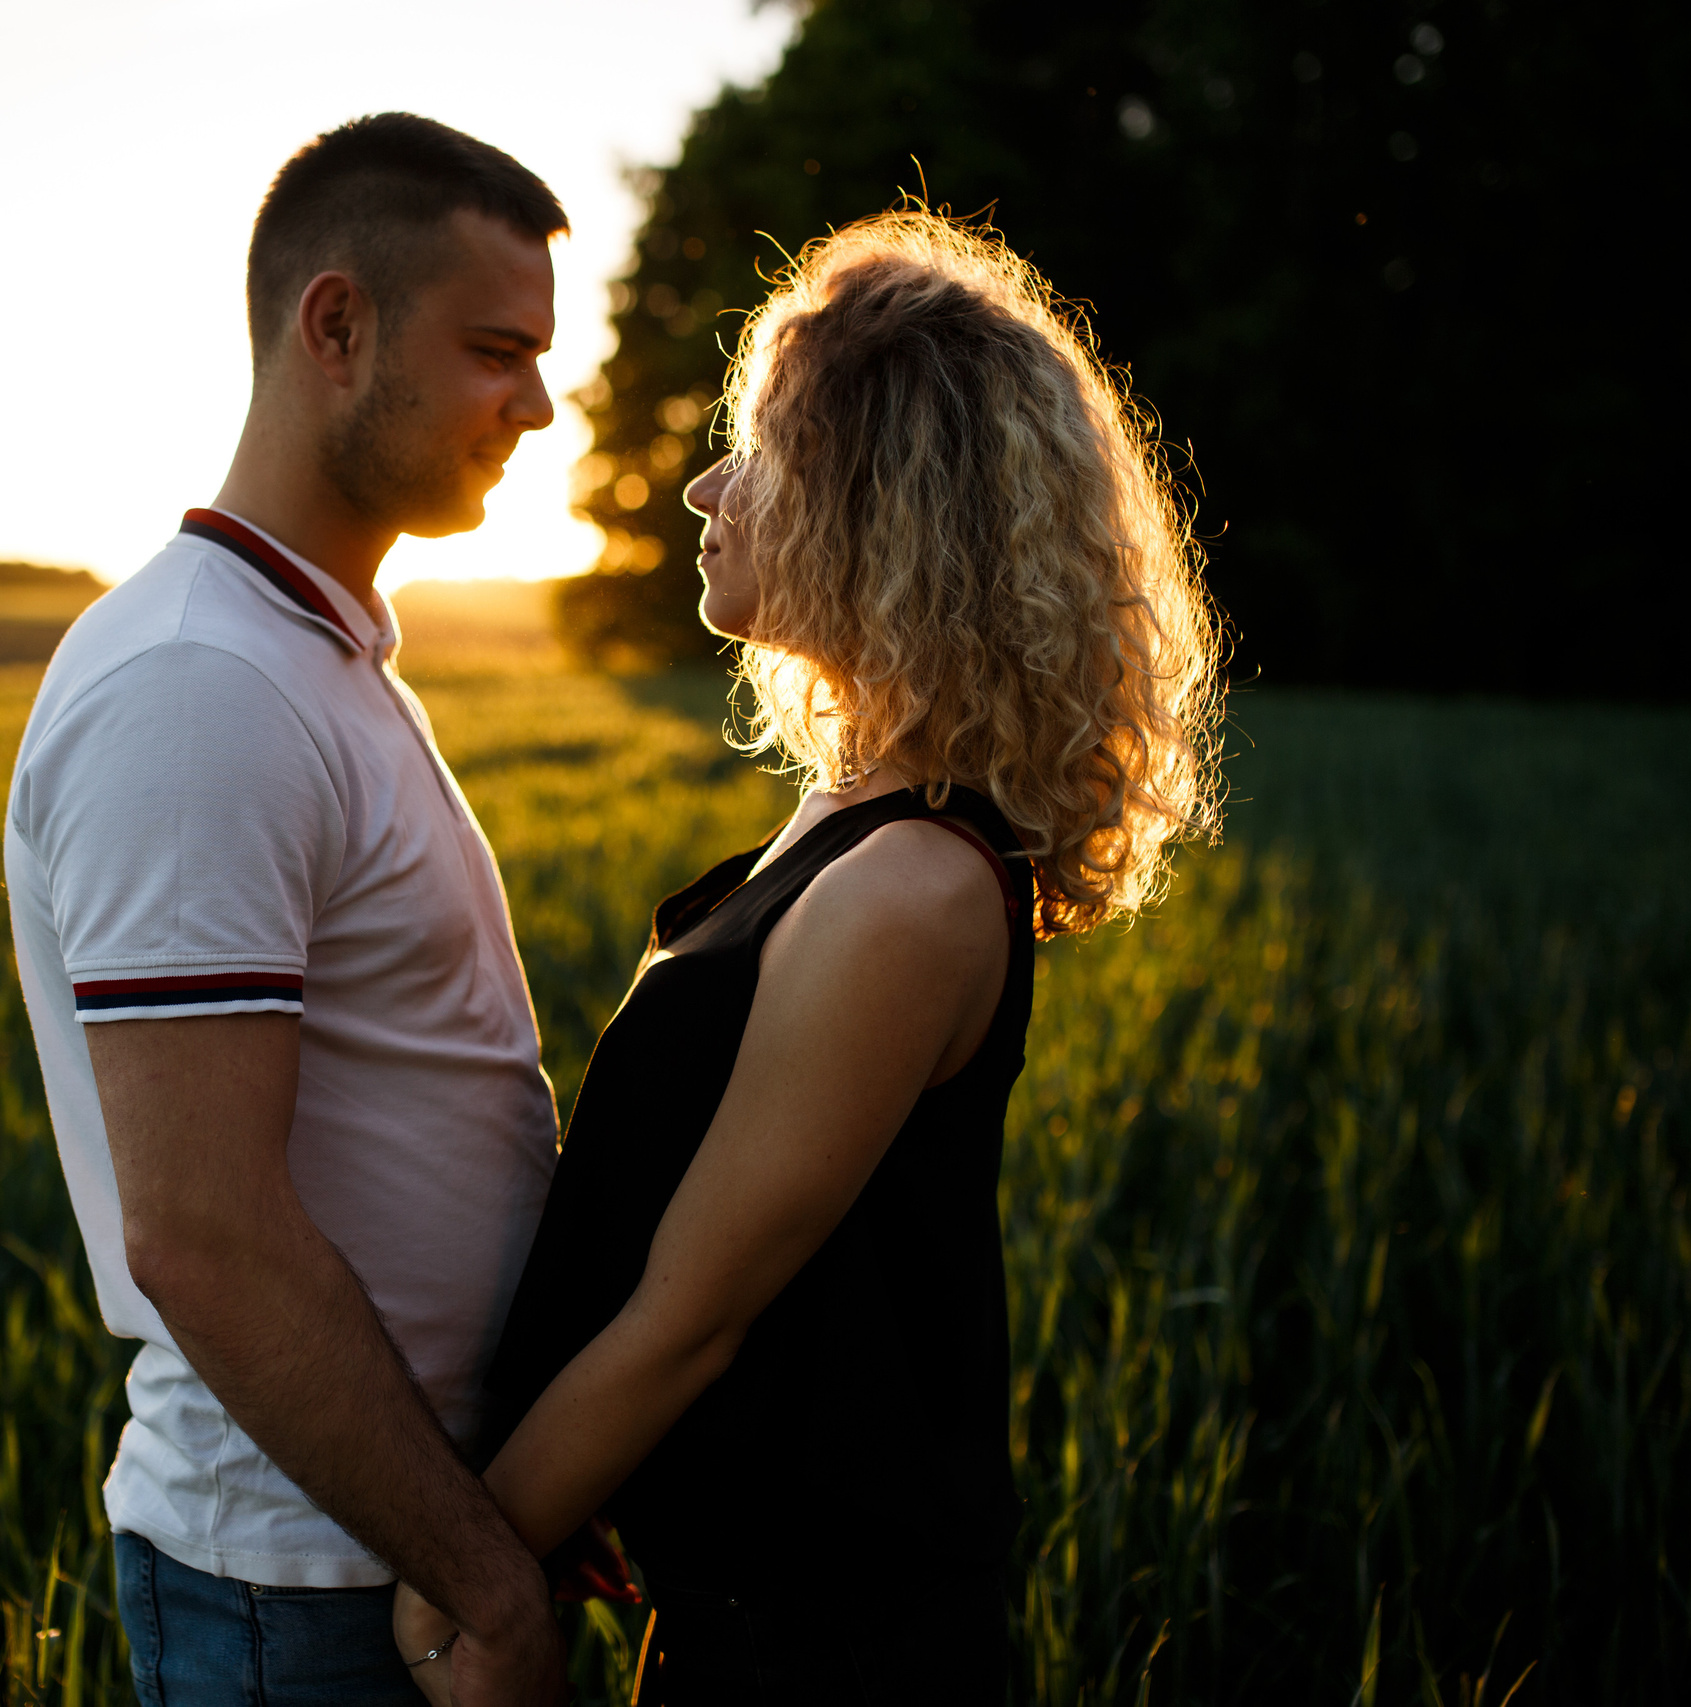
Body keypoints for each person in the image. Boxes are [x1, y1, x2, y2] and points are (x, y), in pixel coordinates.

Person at [395, 209, 1224, 1704]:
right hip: (732, 1608)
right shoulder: (846, 824)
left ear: (881, 510)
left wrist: (468, 1570)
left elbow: (689, 1319)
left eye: (760, 454)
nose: (708, 487)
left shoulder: (908, 887)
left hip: (834, 1653)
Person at [4, 114, 573, 1706]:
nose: (539, 403)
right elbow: (203, 1229)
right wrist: (485, 1583)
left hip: (399, 1542)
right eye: (494, 350)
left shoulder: (312, 654)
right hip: (305, 1587)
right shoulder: (204, 684)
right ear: (339, 326)